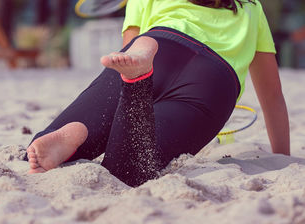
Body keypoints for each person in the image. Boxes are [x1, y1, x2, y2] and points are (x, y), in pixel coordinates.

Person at [25, 0, 290, 187]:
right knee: (127, 168)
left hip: (159, 44)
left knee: (39, 147)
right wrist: (282, 157)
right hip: (213, 81)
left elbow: (123, 56)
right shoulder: (251, 6)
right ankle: (137, 78)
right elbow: (272, 97)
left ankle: (82, 132)